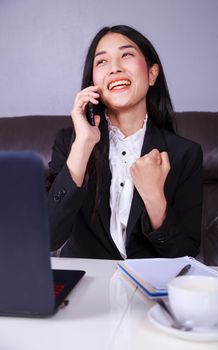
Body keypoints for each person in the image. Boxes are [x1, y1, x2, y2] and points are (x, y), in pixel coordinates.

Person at [47, 25, 203, 259]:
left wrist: (154, 197)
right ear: (93, 82)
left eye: (126, 55)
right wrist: (83, 144)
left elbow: (185, 255)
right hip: (86, 282)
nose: (115, 68)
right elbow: (48, 237)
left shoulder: (185, 153)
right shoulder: (70, 143)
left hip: (148, 288)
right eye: (102, 62)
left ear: (151, 74)